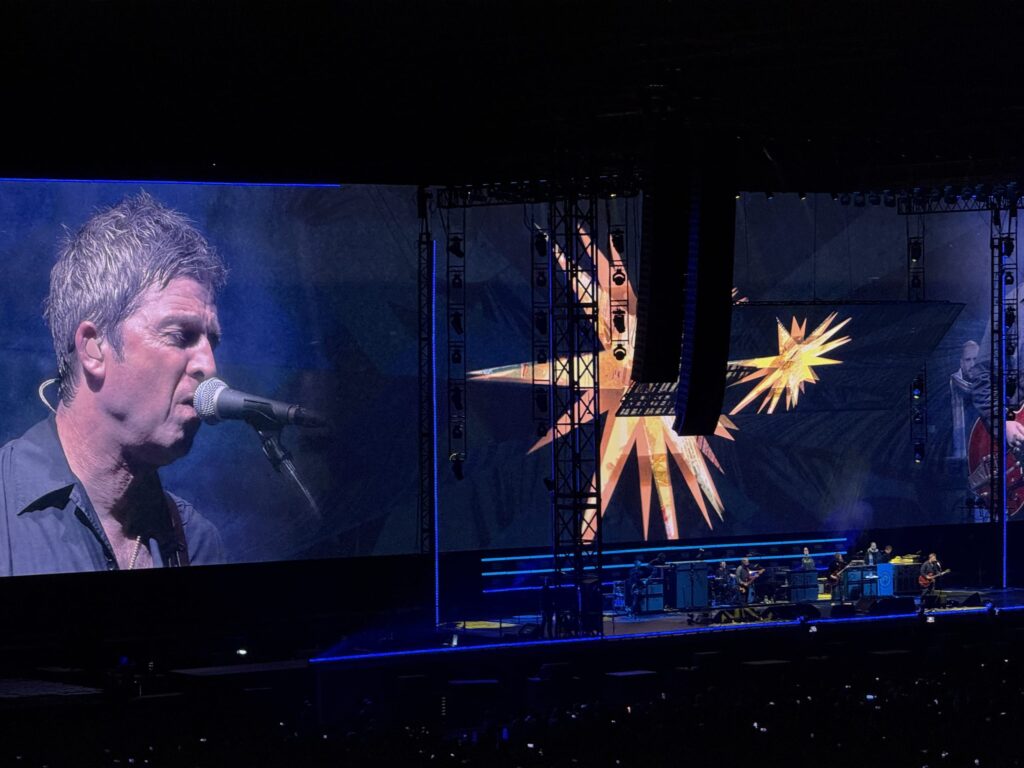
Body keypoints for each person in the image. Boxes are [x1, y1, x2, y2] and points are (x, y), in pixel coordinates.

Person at [0, 193, 228, 576]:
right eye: (179, 336)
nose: (209, 365)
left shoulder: (197, 540)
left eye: (211, 342)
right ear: (93, 347)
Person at [950, 340, 980, 459]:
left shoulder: (991, 385)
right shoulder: (953, 384)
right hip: (960, 454)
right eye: (968, 360)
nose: (972, 364)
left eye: (975, 359)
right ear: (961, 363)